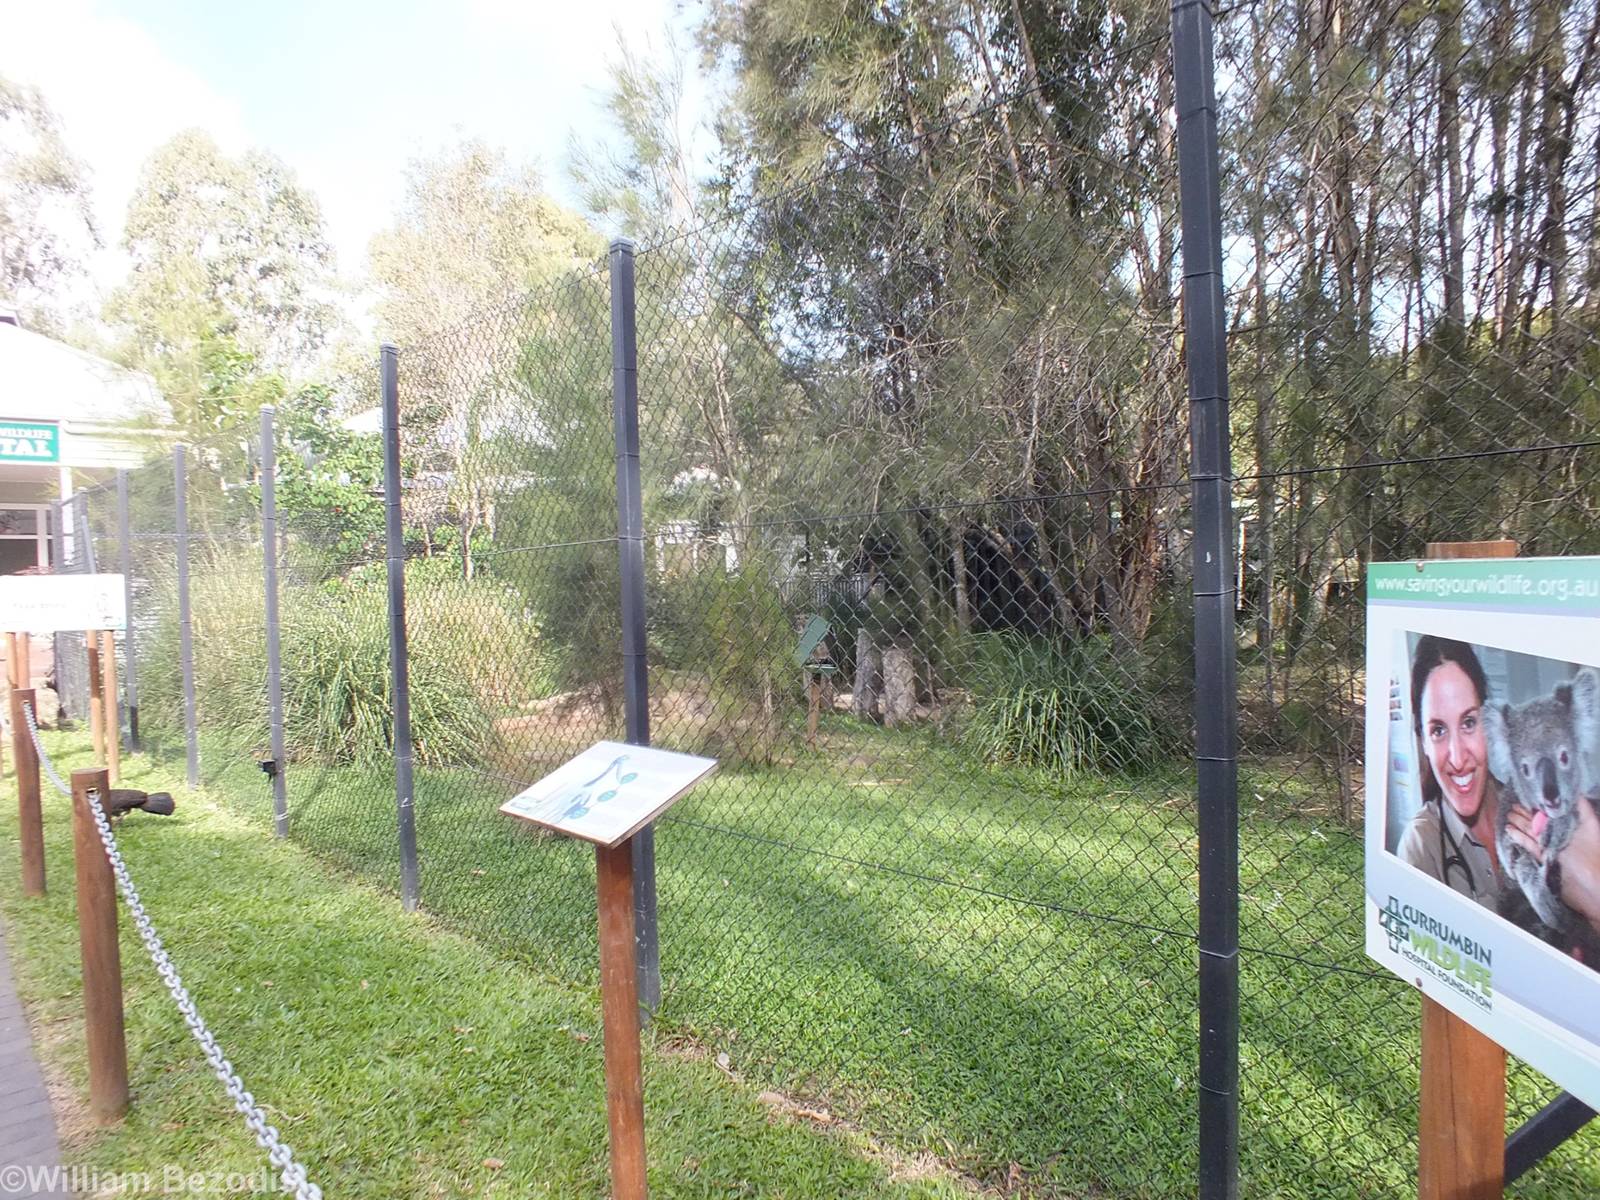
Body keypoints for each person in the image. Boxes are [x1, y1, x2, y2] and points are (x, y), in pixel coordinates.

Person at [1396, 636, 1503, 910]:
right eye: (1438, 730)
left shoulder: (1533, 811)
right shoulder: (1421, 847)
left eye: (1468, 722)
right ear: (1423, 741)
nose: (1457, 759)